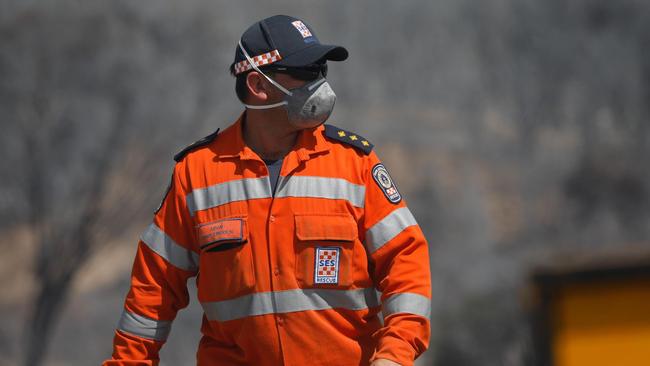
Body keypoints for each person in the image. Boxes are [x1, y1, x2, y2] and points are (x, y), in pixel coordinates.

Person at [104, 14, 431, 366]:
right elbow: (151, 291)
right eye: (306, 72)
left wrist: (395, 355)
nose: (320, 82)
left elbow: (406, 261)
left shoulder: (355, 163)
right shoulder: (196, 174)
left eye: (323, 69)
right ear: (258, 86)